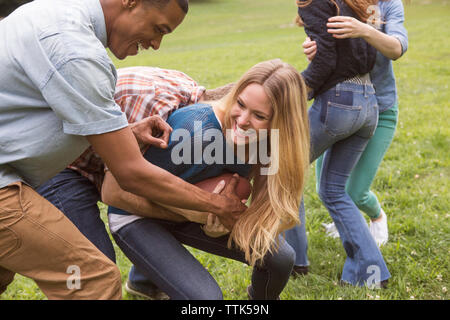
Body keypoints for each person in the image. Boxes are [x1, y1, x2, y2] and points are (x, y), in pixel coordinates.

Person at [0, 0, 246, 300]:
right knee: (92, 279)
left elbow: (32, 112)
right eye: (158, 29)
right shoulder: (74, 49)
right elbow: (130, 175)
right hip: (7, 188)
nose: (156, 44)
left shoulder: (52, 14)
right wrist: (217, 205)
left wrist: (124, 132)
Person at [101, 59, 311, 300]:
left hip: (197, 208)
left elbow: (263, 217)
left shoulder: (269, 145)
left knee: (281, 259)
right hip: (133, 214)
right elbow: (114, 194)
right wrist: (193, 212)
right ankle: (146, 277)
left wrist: (220, 226)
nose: (242, 120)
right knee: (206, 300)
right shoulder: (195, 129)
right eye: (240, 104)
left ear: (281, 124)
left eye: (259, 116)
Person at [37, 66, 237, 300]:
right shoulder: (155, 105)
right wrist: (191, 214)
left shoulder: (191, 103)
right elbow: (117, 195)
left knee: (163, 188)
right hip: (65, 165)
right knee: (95, 267)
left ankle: (144, 282)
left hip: (101, 158)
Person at [285, 0, 390, 287]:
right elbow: (344, 54)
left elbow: (326, 61)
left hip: (339, 103)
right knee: (333, 190)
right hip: (368, 103)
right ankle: (371, 273)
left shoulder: (314, 2)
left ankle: (293, 261)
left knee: (280, 169)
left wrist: (294, 92)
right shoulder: (353, 2)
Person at [304, 0, 408, 247]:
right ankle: (347, 223)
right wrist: (313, 47)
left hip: (380, 110)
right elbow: (328, 49)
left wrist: (365, 30)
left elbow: (396, 48)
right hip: (339, 104)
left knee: (356, 191)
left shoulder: (389, 5)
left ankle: (377, 217)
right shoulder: (337, 2)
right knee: (325, 188)